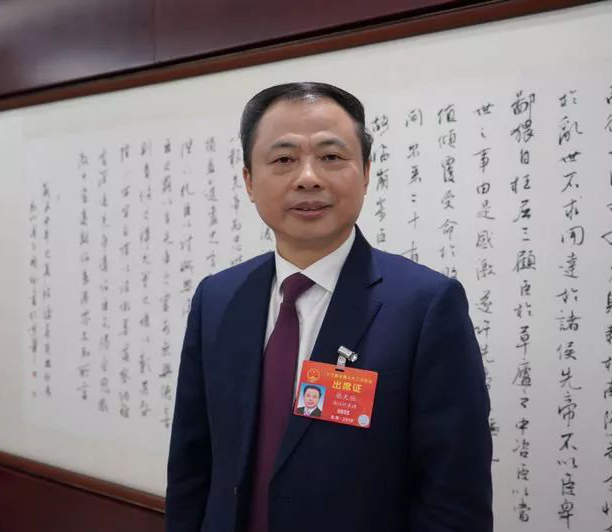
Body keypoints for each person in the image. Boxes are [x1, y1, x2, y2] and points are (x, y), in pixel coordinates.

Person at [165, 82, 492, 532]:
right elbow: (191, 464)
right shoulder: (217, 298)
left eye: (331, 157)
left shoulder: (427, 307)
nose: (308, 178)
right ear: (249, 181)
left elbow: (454, 497)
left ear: (366, 172)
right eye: (283, 159)